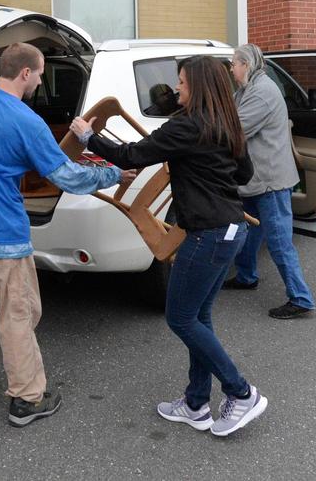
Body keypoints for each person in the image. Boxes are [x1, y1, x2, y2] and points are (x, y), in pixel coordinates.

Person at [0, 42, 132, 432]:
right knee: (17, 317)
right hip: (5, 239)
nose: (40, 81)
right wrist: (113, 174)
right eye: (41, 73)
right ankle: (27, 399)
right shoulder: (27, 121)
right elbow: (66, 176)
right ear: (26, 73)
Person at [69, 55, 266, 438]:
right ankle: (195, 404)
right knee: (199, 319)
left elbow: (132, 156)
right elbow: (245, 174)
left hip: (206, 236)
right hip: (230, 231)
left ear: (199, 86)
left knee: (180, 319)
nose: (177, 88)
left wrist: (87, 136)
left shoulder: (188, 127)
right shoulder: (226, 124)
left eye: (182, 82)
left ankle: (241, 392)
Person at [223, 43, 315, 320]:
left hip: (269, 180)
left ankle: (301, 298)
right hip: (255, 178)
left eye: (233, 64)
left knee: (279, 241)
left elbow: (234, 130)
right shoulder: (247, 90)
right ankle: (247, 276)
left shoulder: (261, 93)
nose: (231, 69)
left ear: (246, 65)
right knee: (250, 231)